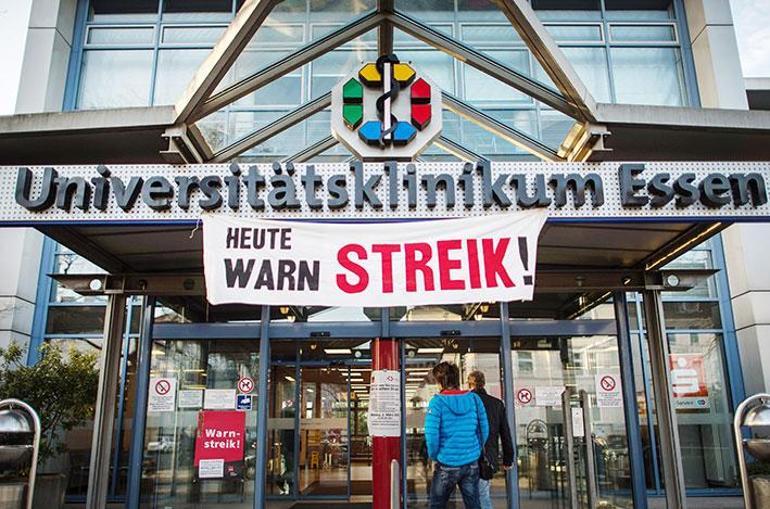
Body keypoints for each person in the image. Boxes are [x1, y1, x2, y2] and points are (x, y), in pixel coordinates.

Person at [425, 362, 489, 509]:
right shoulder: (474, 399)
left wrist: (434, 456)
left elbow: (431, 435)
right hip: (471, 462)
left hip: (446, 463)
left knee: (436, 505)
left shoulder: (437, 402)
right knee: (474, 505)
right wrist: (476, 449)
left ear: (440, 382)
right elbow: (484, 429)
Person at [467, 371, 514, 509]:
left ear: (469, 384)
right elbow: (505, 433)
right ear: (483, 383)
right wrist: (508, 459)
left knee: (472, 495)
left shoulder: (465, 402)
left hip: (467, 455)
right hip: (487, 457)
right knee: (482, 494)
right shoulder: (497, 404)